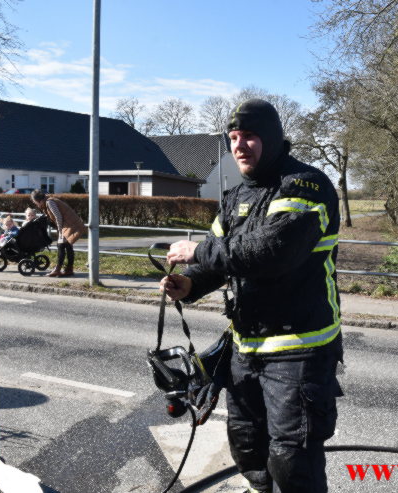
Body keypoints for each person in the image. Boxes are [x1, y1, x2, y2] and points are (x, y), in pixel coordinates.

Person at [160, 99, 343, 493]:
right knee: (247, 445)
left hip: (300, 349)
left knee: (293, 460)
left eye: (250, 136)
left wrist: (196, 252)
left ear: (273, 138)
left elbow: (272, 253)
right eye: (233, 138)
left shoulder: (306, 186)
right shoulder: (235, 196)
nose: (240, 146)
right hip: (246, 348)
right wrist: (190, 283)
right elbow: (219, 257)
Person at [30, 189, 86, 277]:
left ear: (39, 201)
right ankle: (69, 269)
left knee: (61, 245)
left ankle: (58, 269)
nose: (35, 204)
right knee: (68, 246)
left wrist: (60, 231)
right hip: (71, 223)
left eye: (34, 202)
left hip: (69, 225)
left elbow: (58, 217)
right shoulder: (49, 201)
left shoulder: (49, 203)